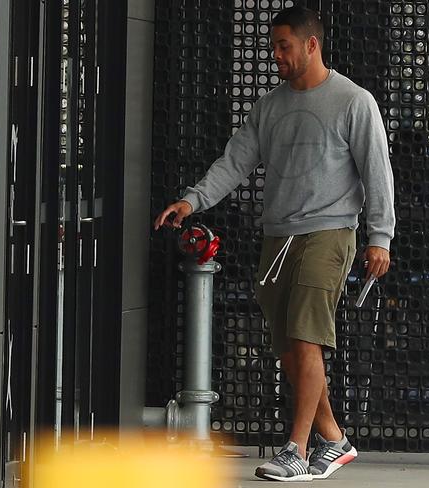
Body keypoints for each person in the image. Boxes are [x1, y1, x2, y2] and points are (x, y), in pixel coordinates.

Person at [153, 5, 395, 483]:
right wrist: (191, 201)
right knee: (289, 348)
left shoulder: (354, 100)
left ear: (311, 44)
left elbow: (377, 172)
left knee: (307, 339)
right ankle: (335, 439)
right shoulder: (270, 106)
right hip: (277, 236)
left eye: (283, 47)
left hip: (329, 232)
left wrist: (379, 237)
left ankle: (297, 450)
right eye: (273, 48)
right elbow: (235, 161)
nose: (275, 56)